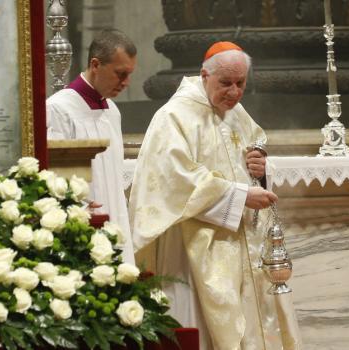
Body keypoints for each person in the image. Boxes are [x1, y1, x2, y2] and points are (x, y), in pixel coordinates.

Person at [128, 42, 300, 349]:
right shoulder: (174, 117)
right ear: (204, 75)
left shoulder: (236, 113)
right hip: (196, 245)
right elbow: (173, 180)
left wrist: (261, 166)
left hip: (242, 241)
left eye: (241, 84)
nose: (234, 93)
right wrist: (240, 196)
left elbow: (255, 149)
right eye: (225, 83)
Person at [46, 29, 137, 264]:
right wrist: (75, 209)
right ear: (95, 65)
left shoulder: (112, 111)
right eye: (120, 74)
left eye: (130, 74)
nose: (126, 82)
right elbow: (54, 179)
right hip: (82, 223)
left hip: (115, 217)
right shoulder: (59, 109)